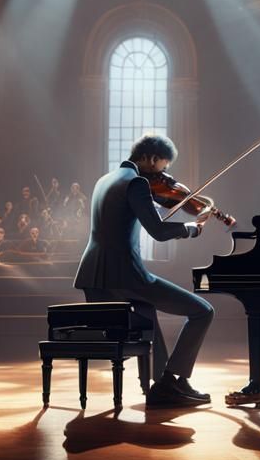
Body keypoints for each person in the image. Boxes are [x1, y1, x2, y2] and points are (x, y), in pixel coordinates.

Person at [74, 133, 213, 409]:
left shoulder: (105, 180)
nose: (165, 174)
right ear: (150, 158)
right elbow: (159, 231)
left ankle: (165, 384)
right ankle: (173, 379)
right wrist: (192, 230)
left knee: (148, 317)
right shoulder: (137, 183)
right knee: (203, 311)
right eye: (163, 166)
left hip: (93, 276)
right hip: (124, 274)